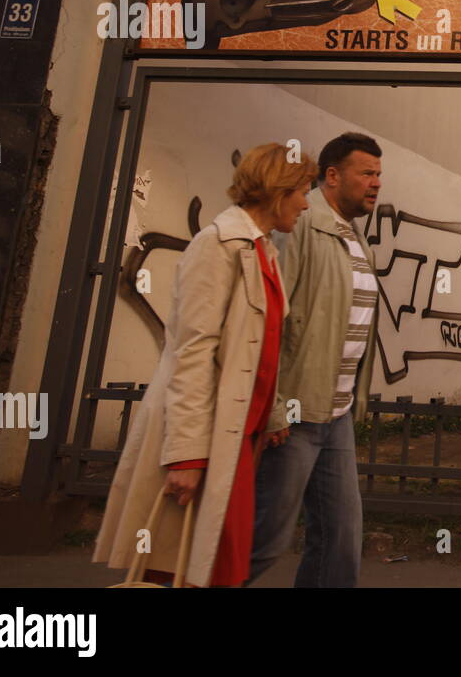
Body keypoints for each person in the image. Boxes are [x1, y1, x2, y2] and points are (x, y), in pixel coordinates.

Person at [94, 143, 317, 586]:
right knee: (172, 568)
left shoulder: (262, 250)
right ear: (278, 189)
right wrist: (187, 456)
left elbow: (261, 350)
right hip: (205, 438)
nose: (306, 203)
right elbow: (192, 353)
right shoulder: (217, 246)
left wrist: (271, 414)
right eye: (302, 191)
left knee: (211, 567)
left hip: (236, 441)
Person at [249, 131, 382, 587]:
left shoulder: (354, 237)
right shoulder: (302, 225)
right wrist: (275, 404)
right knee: (263, 539)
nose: (376, 183)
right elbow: (271, 318)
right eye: (366, 172)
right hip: (295, 412)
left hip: (335, 412)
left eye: (379, 174)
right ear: (332, 175)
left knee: (341, 537)